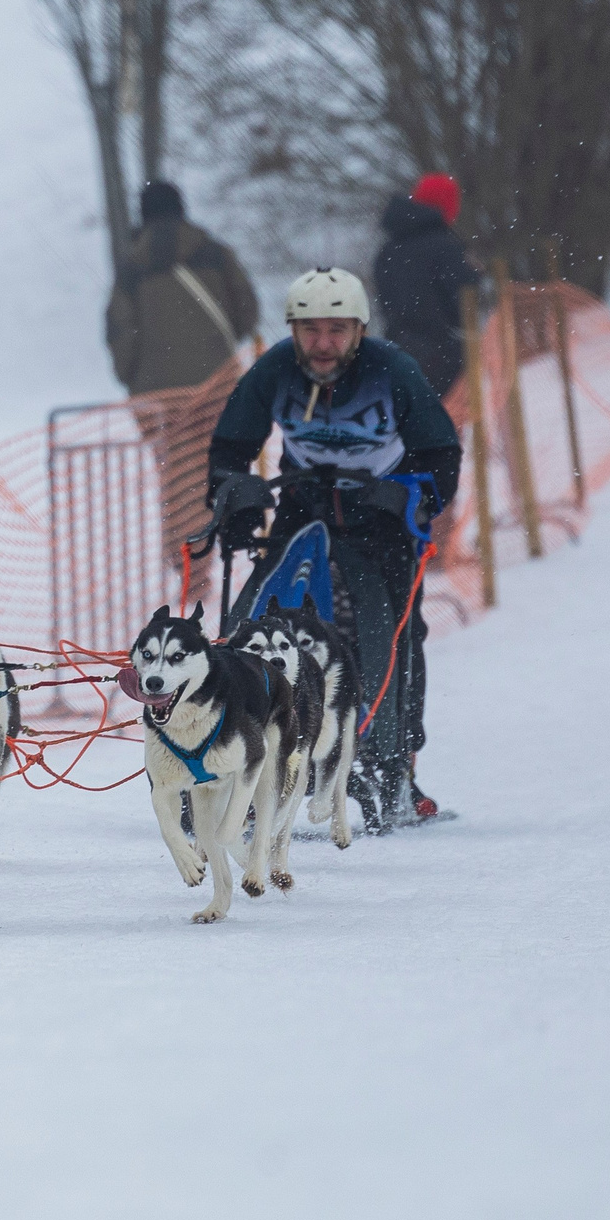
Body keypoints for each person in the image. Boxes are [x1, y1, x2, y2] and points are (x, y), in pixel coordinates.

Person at [203, 267, 462, 831]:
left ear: (359, 330)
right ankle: (236, 754)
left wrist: (415, 496)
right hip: (305, 503)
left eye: (337, 330)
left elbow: (442, 452)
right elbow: (230, 445)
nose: (323, 343)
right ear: (293, 330)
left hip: (380, 513)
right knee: (260, 619)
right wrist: (236, 494)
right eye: (310, 330)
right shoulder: (276, 368)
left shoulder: (393, 370)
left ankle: (394, 762)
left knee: (393, 633)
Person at [106, 180, 260, 563]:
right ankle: (219, 550)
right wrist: (216, 348)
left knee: (177, 474)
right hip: (216, 382)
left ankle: (190, 563)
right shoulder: (213, 253)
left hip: (157, 395)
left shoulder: (132, 267)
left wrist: (133, 375)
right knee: (214, 465)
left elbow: (120, 329)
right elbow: (247, 311)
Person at [368, 172, 479, 399]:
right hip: (444, 356)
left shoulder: (386, 251)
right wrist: (474, 275)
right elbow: (463, 303)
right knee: (449, 416)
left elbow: (387, 303)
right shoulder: (446, 247)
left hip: (397, 352)